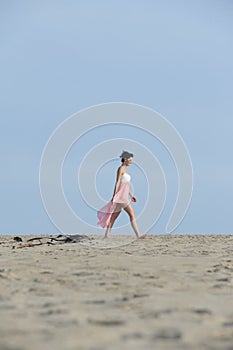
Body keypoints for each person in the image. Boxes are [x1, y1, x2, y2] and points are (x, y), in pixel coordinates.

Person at [97, 151, 147, 239]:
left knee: (114, 217)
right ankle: (138, 235)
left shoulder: (125, 170)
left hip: (124, 196)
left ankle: (106, 235)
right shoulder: (120, 169)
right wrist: (114, 196)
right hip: (121, 197)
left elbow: (126, 186)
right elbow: (118, 182)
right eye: (130, 160)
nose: (131, 162)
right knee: (132, 215)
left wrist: (131, 195)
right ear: (125, 160)